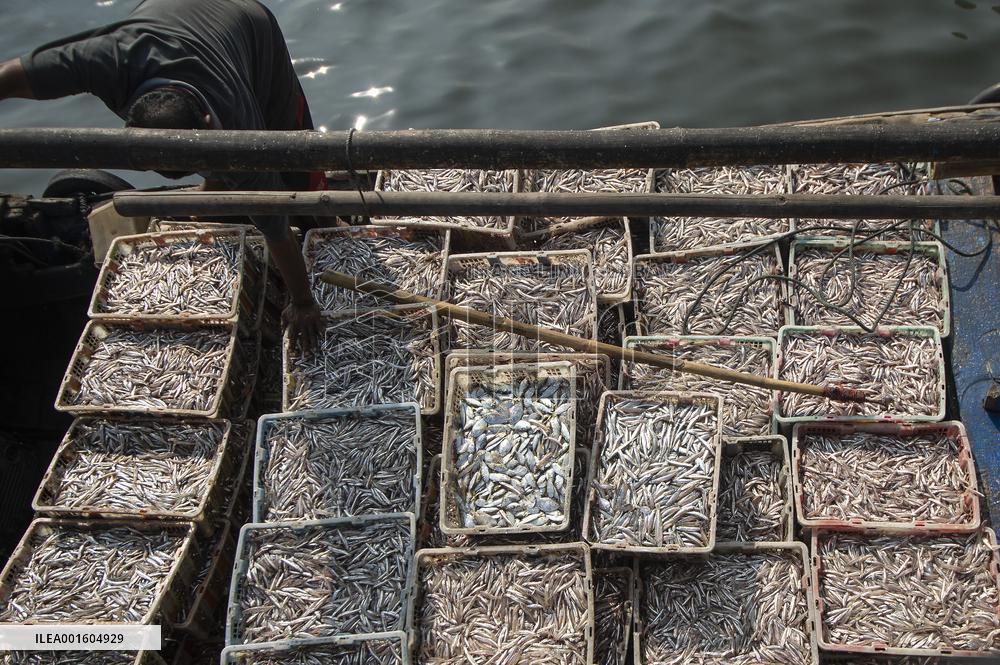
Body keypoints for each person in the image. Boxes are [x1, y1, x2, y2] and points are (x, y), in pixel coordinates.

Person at [0, 0, 324, 349]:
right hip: (167, 12)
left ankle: (320, 222)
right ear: (130, 128)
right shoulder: (106, 61)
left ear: (207, 122)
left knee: (288, 153)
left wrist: (303, 301)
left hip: (246, 20)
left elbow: (273, 219)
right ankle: (215, 192)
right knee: (235, 178)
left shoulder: (235, 118)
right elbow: (8, 76)